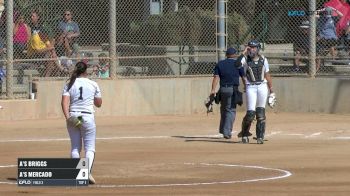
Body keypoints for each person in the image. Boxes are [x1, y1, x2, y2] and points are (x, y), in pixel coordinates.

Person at [61, 61, 102, 184]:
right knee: (90, 148)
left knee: (75, 147)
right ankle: (86, 172)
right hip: (87, 117)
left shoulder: (69, 84)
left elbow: (64, 103)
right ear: (86, 71)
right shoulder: (93, 84)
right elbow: (99, 104)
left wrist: (68, 117)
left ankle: (79, 173)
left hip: (74, 116)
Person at [236, 40, 274, 144]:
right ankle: (244, 133)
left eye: (253, 47)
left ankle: (260, 137)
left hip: (262, 86)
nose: (251, 49)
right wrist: (243, 52)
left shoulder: (263, 59)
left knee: (261, 113)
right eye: (250, 47)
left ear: (258, 49)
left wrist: (272, 91)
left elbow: (267, 75)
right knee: (250, 114)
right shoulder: (245, 59)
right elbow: (236, 64)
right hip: (250, 87)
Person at [210, 47, 245, 139]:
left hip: (222, 90)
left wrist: (213, 90)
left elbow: (216, 77)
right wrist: (246, 86)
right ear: (235, 55)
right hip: (232, 89)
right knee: (231, 110)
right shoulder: (237, 64)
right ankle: (227, 132)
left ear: (226, 55)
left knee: (224, 109)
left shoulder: (220, 64)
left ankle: (222, 129)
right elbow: (243, 77)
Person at [27, 10, 65, 76]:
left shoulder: (42, 27)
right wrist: (51, 48)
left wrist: (50, 48)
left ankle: (47, 77)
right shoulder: (30, 27)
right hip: (34, 50)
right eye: (31, 16)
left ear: (38, 17)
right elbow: (29, 40)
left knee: (51, 57)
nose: (31, 17)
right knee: (51, 52)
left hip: (43, 50)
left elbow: (48, 39)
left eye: (33, 16)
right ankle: (61, 69)